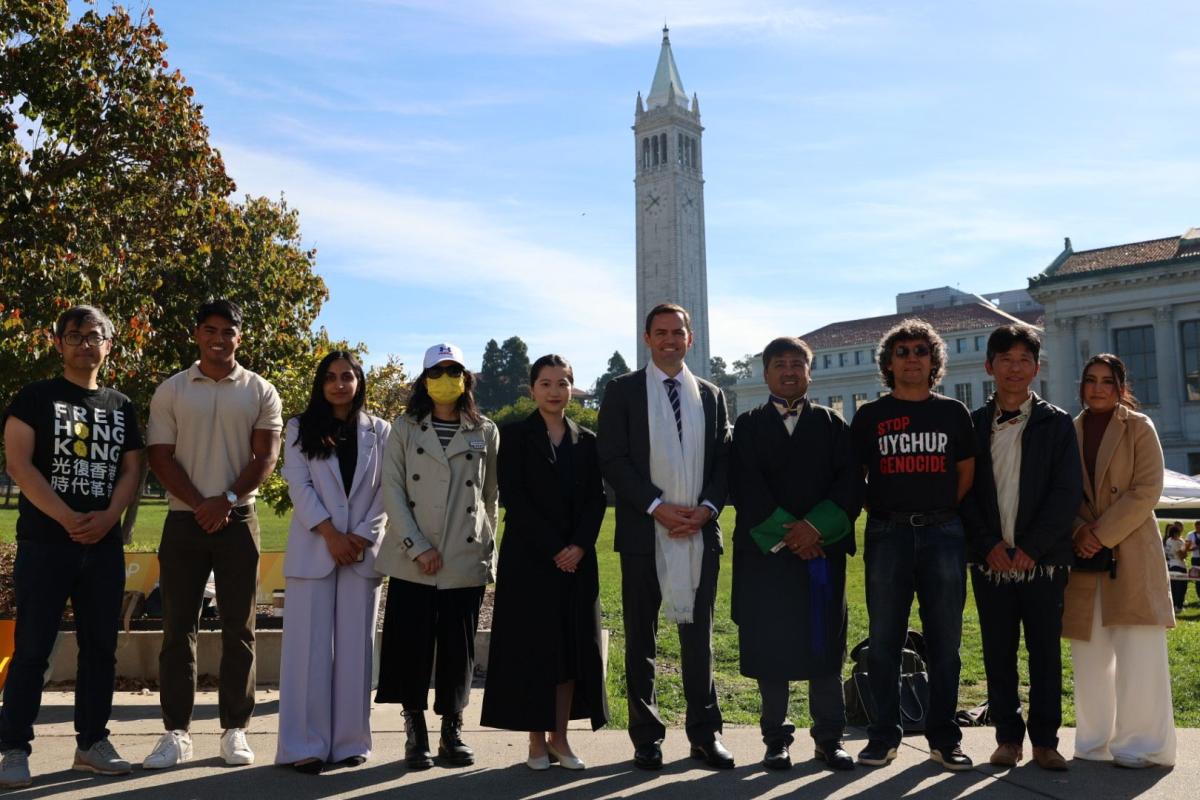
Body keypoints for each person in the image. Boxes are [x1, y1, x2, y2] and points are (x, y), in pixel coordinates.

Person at [0, 306, 144, 788]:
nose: (85, 343)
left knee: (100, 649)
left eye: (94, 336)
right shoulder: (35, 397)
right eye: (75, 335)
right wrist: (65, 517)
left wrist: (108, 518)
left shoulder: (121, 405)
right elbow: (19, 464)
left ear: (109, 345)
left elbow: (132, 470)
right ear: (59, 343)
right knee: (32, 649)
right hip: (45, 544)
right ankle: (13, 748)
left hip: (102, 547)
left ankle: (92, 743)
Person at [142, 299, 283, 769]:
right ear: (197, 333)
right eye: (210, 329)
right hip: (184, 520)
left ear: (239, 337)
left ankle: (234, 729)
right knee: (177, 628)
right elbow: (160, 456)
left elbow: (265, 456)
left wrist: (225, 499)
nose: (218, 338)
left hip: (238, 518)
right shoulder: (172, 389)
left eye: (228, 331)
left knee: (239, 628)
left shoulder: (261, 390)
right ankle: (176, 733)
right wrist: (203, 503)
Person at [597, 303, 733, 771]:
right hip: (643, 533)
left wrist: (706, 509)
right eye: (661, 332)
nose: (670, 340)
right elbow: (612, 459)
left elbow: (723, 461)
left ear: (689, 339)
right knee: (641, 640)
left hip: (700, 532)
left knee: (700, 641)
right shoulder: (622, 391)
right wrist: (656, 506)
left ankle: (705, 734)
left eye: (678, 332)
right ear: (647, 338)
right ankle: (647, 737)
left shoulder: (711, 395)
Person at [849, 318, 975, 771]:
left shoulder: (953, 413)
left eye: (921, 351)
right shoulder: (870, 416)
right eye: (901, 352)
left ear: (934, 360)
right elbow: (856, 476)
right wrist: (885, 510)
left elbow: (965, 473)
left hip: (943, 533)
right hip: (889, 534)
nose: (911, 359)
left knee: (945, 642)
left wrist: (940, 511)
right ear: (888, 363)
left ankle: (944, 738)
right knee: (885, 640)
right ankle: (883, 736)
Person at [729, 337, 860, 772]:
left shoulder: (833, 424)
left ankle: (829, 738)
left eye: (797, 364)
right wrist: (792, 534)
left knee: (825, 645)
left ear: (809, 372)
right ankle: (775, 739)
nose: (789, 371)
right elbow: (745, 486)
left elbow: (849, 484)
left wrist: (814, 530)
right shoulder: (747, 426)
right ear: (765, 373)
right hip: (768, 556)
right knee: (772, 646)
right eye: (779, 364)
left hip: (821, 554)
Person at [959, 324, 1080, 772]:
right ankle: (1007, 739)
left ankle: (1046, 742)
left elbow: (1066, 492)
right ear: (989, 366)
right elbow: (963, 493)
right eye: (1005, 359)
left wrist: (1032, 547)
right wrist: (987, 544)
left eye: (1024, 359)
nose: (1015, 368)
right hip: (989, 560)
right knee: (998, 651)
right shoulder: (971, 424)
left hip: (1042, 562)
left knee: (1045, 652)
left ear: (1036, 367)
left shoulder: (1057, 422)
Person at [374, 343, 499, 769]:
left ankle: (452, 730)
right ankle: (415, 731)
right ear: (424, 380)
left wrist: (487, 551)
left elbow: (489, 497)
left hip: (464, 556)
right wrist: (417, 546)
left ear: (466, 378)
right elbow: (393, 490)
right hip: (414, 557)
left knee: (457, 651)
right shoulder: (404, 428)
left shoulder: (485, 430)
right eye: (437, 371)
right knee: (410, 647)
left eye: (454, 370)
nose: (446, 378)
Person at [481, 355, 609, 770]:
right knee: (534, 650)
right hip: (530, 560)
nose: (555, 391)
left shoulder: (588, 440)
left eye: (563, 383)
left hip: (577, 562)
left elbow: (596, 500)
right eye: (546, 383)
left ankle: (560, 738)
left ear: (572, 388)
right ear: (532, 389)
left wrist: (579, 546)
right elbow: (515, 498)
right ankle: (536, 741)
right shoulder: (514, 436)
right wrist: (556, 548)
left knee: (570, 651)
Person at [275, 351, 390, 773]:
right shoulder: (298, 427)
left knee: (357, 651)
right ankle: (303, 744)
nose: (339, 384)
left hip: (361, 552)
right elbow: (298, 485)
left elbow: (387, 489)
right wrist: (331, 535)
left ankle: (350, 742)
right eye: (330, 377)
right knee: (307, 651)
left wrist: (360, 536)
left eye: (347, 376)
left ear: (359, 381)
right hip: (314, 550)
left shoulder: (381, 430)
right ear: (320, 384)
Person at [1065, 353, 1176, 769]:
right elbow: (1060, 491)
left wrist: (1099, 534)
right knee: (1089, 653)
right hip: (1083, 556)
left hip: (1130, 551)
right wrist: (1079, 531)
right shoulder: (1068, 430)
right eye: (1090, 380)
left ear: (1121, 387)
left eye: (1107, 381)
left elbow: (1147, 489)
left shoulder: (1139, 426)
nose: (1098, 388)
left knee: (1139, 652)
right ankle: (1094, 741)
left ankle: (1142, 746)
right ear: (1081, 386)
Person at [1164, 523, 1187, 613]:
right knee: (1180, 588)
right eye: (1178, 533)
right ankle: (1178, 606)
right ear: (1175, 533)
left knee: (1173, 587)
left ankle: (1172, 606)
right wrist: (1187, 548)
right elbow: (1182, 556)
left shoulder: (1168, 540)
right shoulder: (1177, 542)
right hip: (1179, 566)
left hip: (1171, 565)